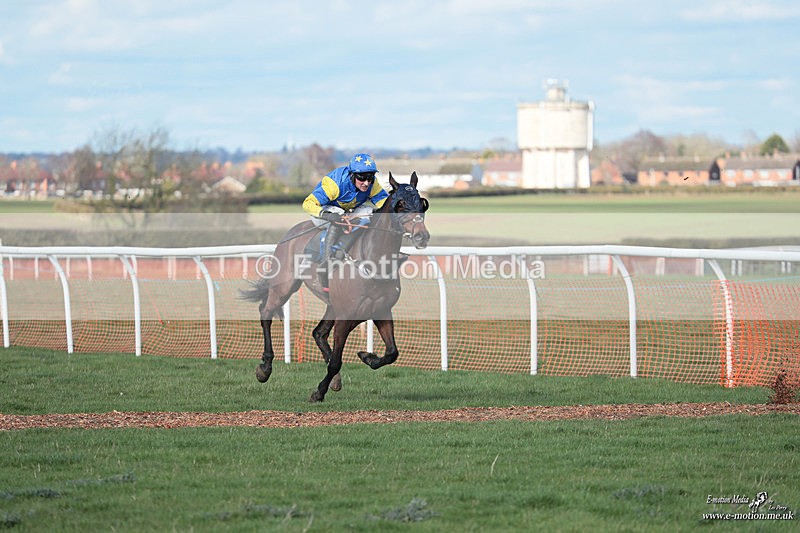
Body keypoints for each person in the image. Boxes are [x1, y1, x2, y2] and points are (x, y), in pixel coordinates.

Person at [302, 153, 389, 290]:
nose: (366, 183)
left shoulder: (373, 184)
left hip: (348, 212)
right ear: (352, 175)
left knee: (370, 213)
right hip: (322, 212)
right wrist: (326, 214)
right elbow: (308, 203)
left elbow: (385, 204)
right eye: (362, 178)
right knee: (339, 215)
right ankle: (327, 262)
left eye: (370, 177)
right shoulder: (335, 184)